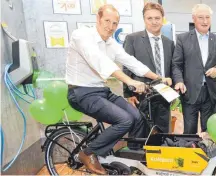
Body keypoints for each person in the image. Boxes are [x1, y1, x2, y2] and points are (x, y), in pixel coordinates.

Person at [66, 4, 169, 175]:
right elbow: (100, 61)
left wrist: (157, 78)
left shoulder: (110, 42)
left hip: (101, 91)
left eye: (115, 23)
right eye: (107, 21)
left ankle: (131, 159)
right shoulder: (82, 35)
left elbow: (131, 62)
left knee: (137, 116)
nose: (110, 27)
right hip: (81, 92)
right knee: (124, 120)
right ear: (98, 19)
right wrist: (130, 81)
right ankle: (88, 153)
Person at [172, 4, 216, 134]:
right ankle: (189, 152)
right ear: (194, 19)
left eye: (207, 17)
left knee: (209, 130)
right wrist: (179, 81)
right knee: (189, 132)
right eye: (201, 17)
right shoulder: (182, 39)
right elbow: (176, 64)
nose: (205, 21)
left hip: (210, 92)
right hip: (189, 93)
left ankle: (207, 153)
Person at [123, 2, 174, 134]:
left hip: (163, 96)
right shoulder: (132, 39)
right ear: (144, 19)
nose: (154, 22)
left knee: (162, 135)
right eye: (149, 18)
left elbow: (172, 68)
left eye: (157, 18)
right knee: (139, 135)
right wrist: (129, 94)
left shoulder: (169, 43)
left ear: (162, 19)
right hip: (141, 96)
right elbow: (127, 68)